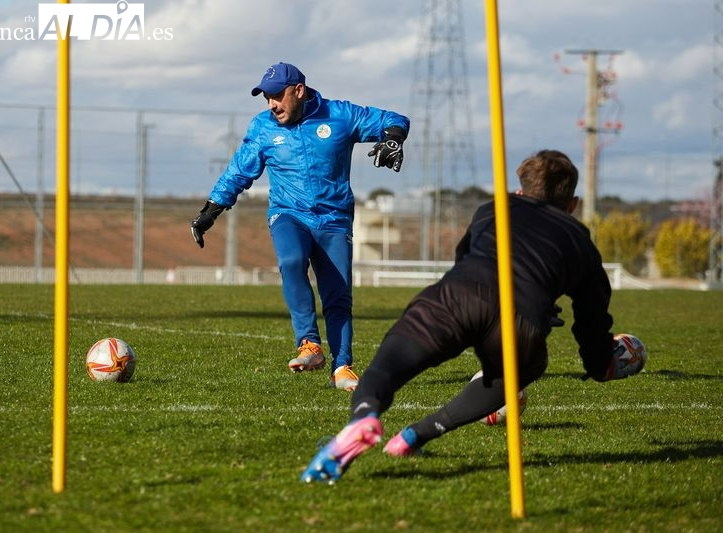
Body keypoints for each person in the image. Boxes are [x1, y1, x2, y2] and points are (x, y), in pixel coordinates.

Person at [300, 149, 645, 482]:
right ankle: (414, 436)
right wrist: (600, 364)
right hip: (521, 321)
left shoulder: (494, 208)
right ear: (573, 205)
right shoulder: (581, 241)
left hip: (458, 295)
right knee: (521, 370)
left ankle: (363, 417)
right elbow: (591, 319)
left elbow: (465, 255)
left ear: (520, 191)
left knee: (389, 364)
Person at [190, 62, 411, 391]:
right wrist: (211, 210)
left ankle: (342, 367)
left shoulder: (339, 115)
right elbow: (239, 171)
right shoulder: (263, 127)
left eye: (277, 95)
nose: (272, 104)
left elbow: (394, 120)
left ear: (299, 90)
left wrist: (393, 138)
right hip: (288, 214)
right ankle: (309, 344)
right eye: (266, 98)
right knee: (292, 261)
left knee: (337, 295)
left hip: (334, 219)